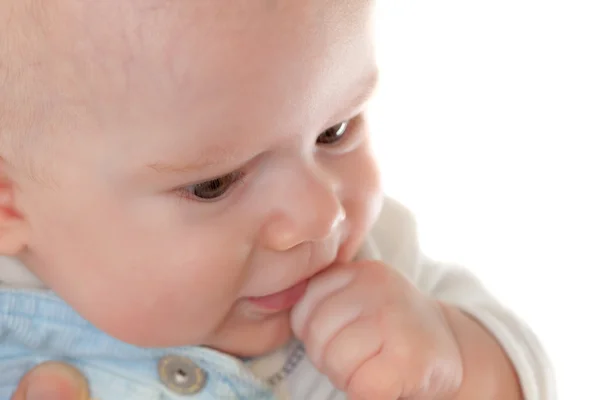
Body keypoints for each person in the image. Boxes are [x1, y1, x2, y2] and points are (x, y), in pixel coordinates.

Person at [0, 0, 554, 399]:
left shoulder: (379, 274)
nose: (321, 215)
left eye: (335, 131)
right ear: (9, 206)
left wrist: (453, 364)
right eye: (214, 184)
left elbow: (526, 381)